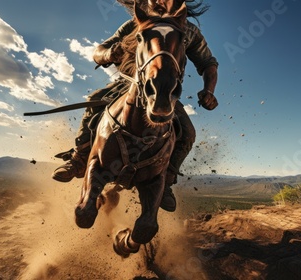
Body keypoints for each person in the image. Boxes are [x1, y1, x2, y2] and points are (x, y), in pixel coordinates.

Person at [52, 0, 218, 212]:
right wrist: (110, 53)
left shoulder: (189, 31)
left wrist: (209, 90)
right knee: (94, 101)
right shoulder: (134, 24)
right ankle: (79, 158)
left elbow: (208, 63)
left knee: (187, 134)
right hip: (128, 84)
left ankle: (166, 180)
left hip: (164, 93)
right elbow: (99, 51)